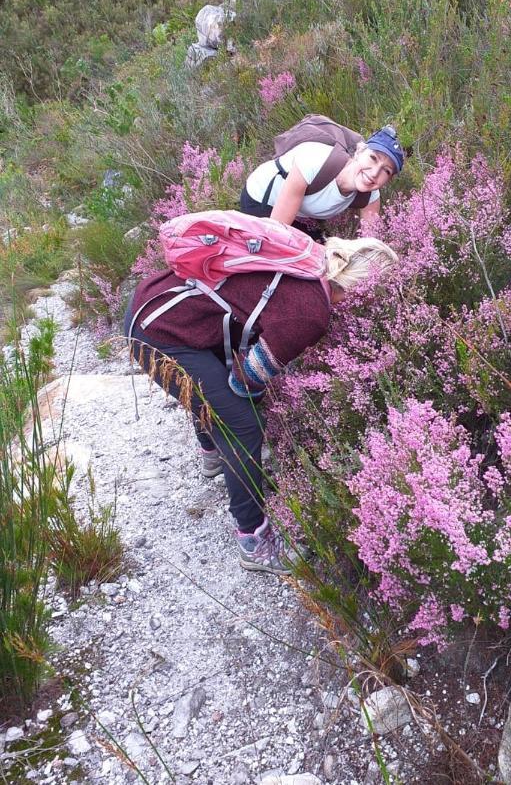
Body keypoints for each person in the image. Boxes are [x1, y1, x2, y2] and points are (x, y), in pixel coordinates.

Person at [124, 235, 398, 574]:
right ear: (358, 289)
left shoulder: (309, 258)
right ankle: (254, 541)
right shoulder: (311, 314)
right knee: (243, 425)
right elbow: (247, 379)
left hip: (156, 302)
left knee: (217, 390)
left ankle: (212, 455)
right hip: (161, 332)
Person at [240, 125, 404, 229]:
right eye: (373, 158)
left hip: (301, 214)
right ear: (359, 152)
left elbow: (371, 244)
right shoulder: (315, 160)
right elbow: (277, 233)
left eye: (386, 171)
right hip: (262, 200)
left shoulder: (370, 195)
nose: (375, 173)